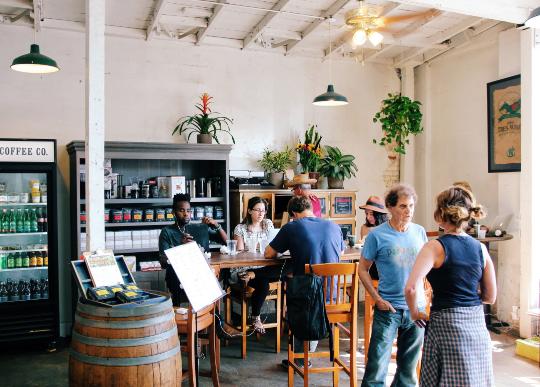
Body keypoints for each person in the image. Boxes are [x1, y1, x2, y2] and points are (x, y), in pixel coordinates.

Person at [405, 186, 496, 386]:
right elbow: (490, 296)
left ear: (440, 214)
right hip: (476, 325)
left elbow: (411, 288)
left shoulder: (434, 247)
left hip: (446, 325)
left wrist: (415, 312)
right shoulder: (480, 248)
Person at [264, 195, 345, 368]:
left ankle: (300, 359)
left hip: (310, 300)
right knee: (307, 289)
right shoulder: (334, 226)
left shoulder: (292, 227)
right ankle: (301, 357)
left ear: (293, 213)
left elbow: (269, 254)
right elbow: (341, 252)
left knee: (297, 294)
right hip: (335, 297)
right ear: (310, 208)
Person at [359, 184, 428, 387]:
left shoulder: (419, 232)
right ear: (390, 207)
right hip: (388, 309)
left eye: (412, 206)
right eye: (403, 206)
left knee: (408, 373)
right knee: (376, 370)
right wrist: (376, 298)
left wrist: (426, 297)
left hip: (417, 309)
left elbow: (426, 268)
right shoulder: (376, 235)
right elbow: (362, 269)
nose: (409, 211)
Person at [159, 193, 227, 306]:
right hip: (178, 275)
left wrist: (216, 225)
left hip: (200, 273)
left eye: (188, 211)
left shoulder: (199, 228)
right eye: (181, 210)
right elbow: (163, 262)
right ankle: (186, 317)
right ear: (173, 212)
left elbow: (226, 242)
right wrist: (181, 248)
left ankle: (212, 318)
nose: (186, 214)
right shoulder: (167, 231)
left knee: (214, 277)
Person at [231, 196, 274, 333]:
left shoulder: (268, 224)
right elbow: (240, 253)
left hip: (263, 268)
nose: (261, 213)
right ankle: (256, 317)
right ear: (249, 210)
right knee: (263, 283)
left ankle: (285, 318)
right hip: (245, 268)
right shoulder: (241, 228)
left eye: (263, 210)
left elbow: (272, 246)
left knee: (272, 278)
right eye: (257, 210)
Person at [359, 195, 389, 280]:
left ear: (379, 215)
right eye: (366, 214)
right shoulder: (364, 228)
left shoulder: (389, 228)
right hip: (369, 264)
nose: (368, 217)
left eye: (371, 214)